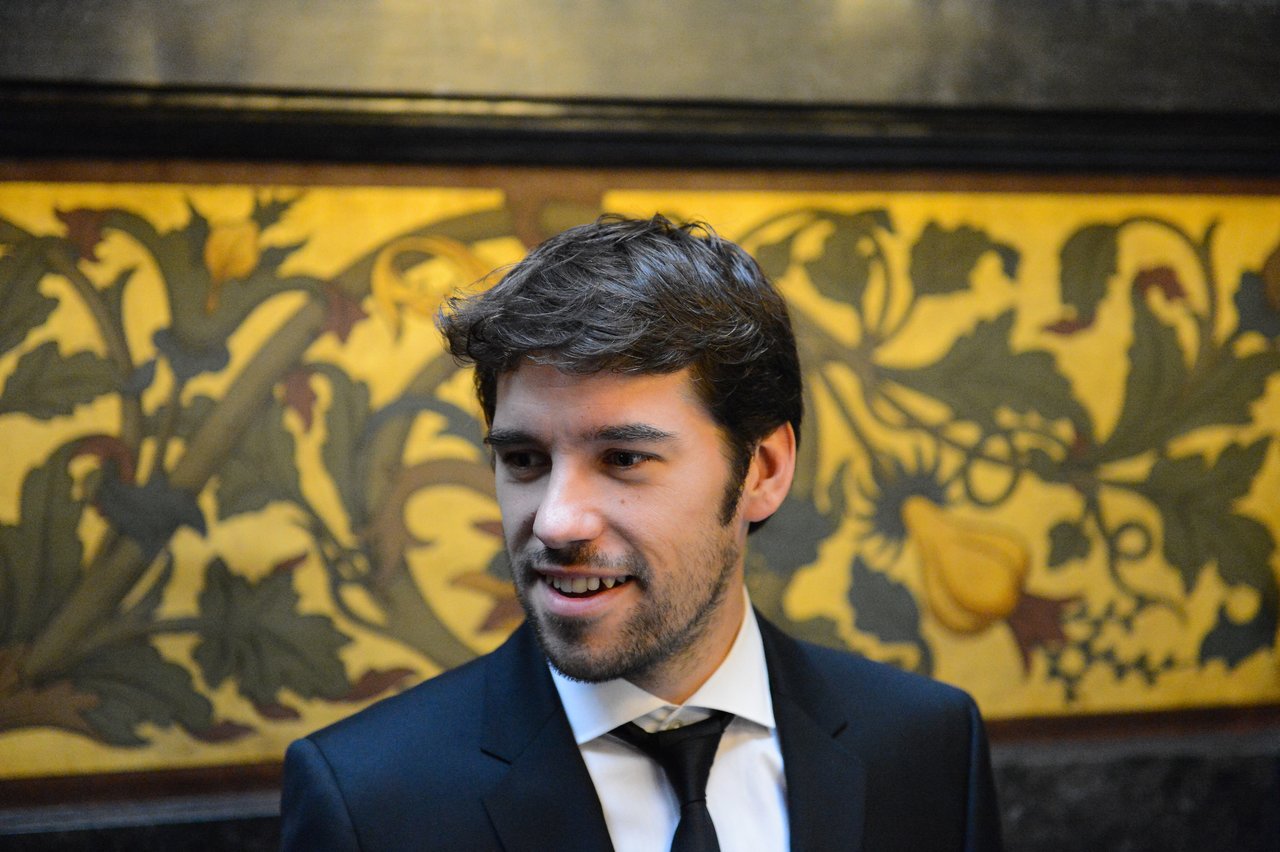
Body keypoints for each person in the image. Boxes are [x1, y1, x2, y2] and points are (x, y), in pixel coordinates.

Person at [279, 214, 1003, 851]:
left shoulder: (926, 744)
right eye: (524, 460)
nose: (557, 522)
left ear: (764, 470)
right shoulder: (369, 801)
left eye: (624, 459)